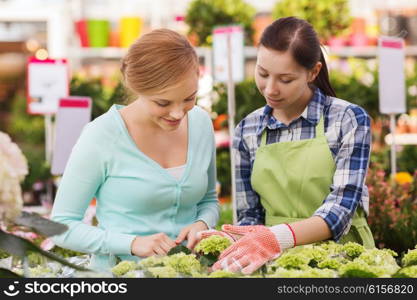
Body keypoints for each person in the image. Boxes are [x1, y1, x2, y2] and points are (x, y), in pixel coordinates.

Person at [199, 17, 375, 275]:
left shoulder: (347, 119)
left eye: (285, 79)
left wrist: (275, 238)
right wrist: (231, 239)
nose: (270, 89)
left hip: (344, 258)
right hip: (275, 262)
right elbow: (250, 215)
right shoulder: (248, 129)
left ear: (313, 72)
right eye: (262, 73)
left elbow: (340, 210)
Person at [50, 29, 219, 272]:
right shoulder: (101, 136)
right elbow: (61, 226)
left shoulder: (201, 124)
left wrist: (202, 223)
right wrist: (131, 243)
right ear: (136, 87)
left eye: (189, 99)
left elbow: (209, 200)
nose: (178, 113)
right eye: (163, 102)